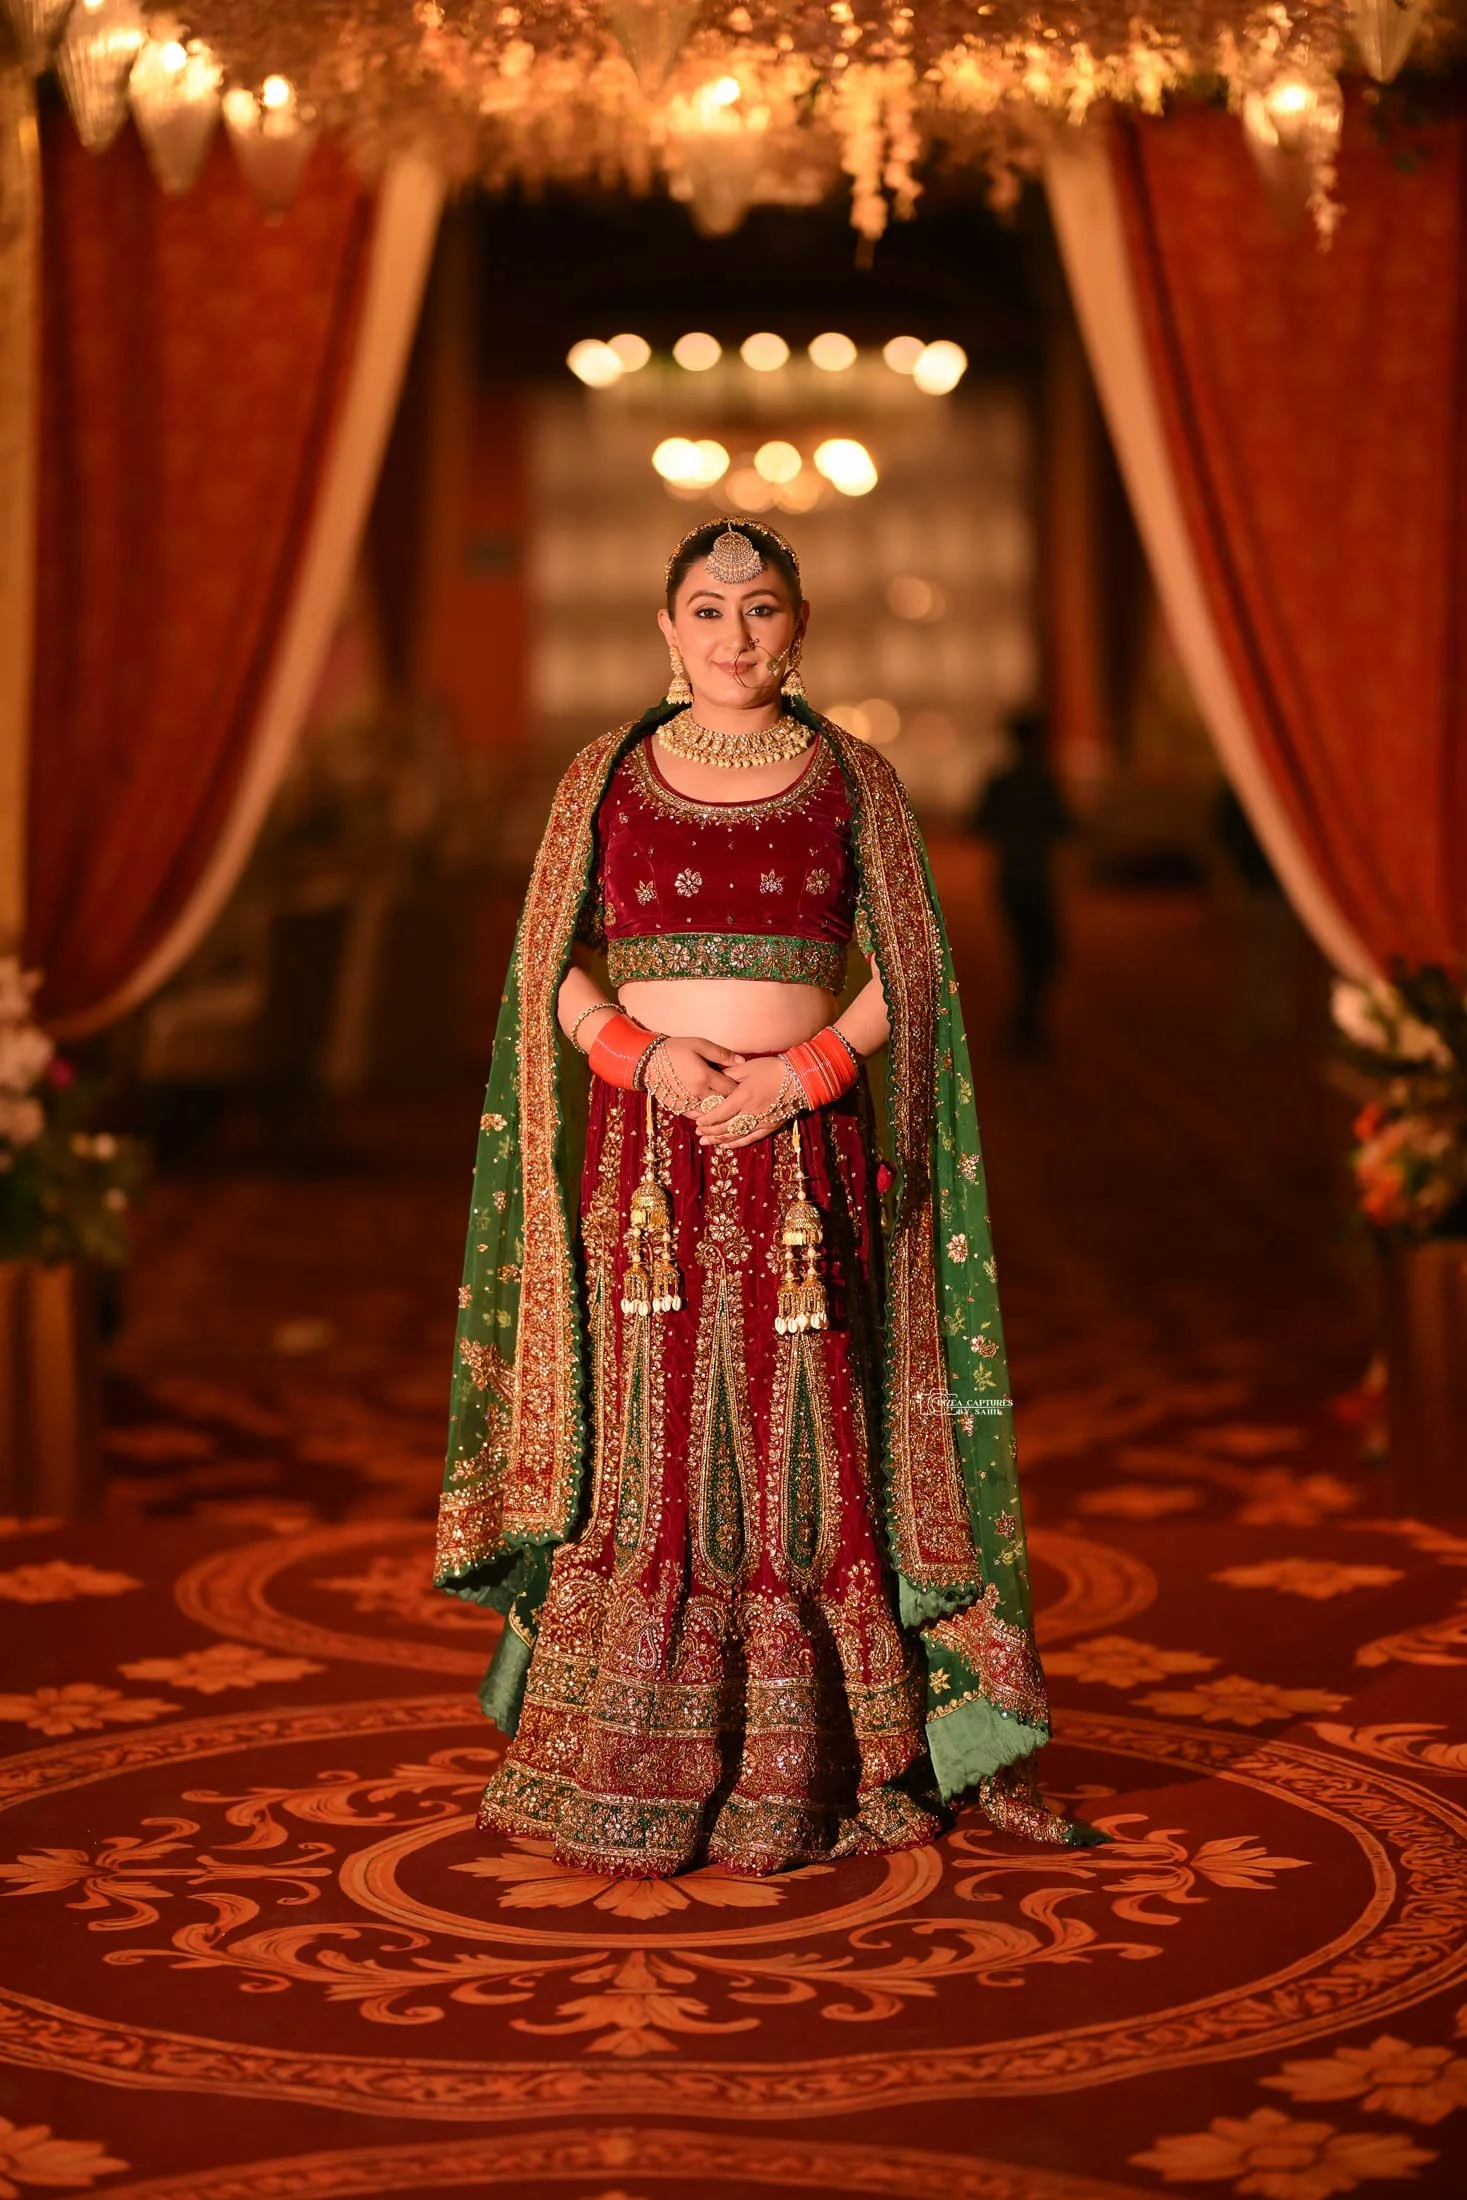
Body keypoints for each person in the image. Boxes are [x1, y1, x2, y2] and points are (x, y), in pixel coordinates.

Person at [434, 517, 1100, 1879]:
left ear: (798, 628)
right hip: (650, 1159)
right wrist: (645, 1055)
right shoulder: (602, 775)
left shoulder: (852, 777)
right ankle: (628, 1748)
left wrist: (804, 1072)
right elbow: (541, 970)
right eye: (704, 608)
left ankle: (819, 1763)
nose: (731, 634)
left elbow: (909, 971)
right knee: (653, 1425)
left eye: (758, 609)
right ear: (663, 629)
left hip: (800, 1155)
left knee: (801, 1425)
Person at [971, 710, 1073, 1058]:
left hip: (1009, 876)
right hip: (1035, 876)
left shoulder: (1001, 781)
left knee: (1026, 952)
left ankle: (1025, 1023)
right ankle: (1026, 1023)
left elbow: (979, 824)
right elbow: (1066, 825)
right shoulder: (1043, 781)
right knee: (1043, 953)